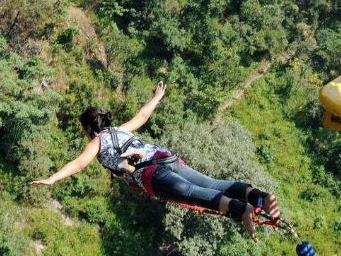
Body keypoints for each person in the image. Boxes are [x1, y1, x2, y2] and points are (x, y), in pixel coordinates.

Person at [30, 82, 280, 240]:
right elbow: (143, 115)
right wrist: (157, 98)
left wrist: (52, 178)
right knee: (213, 184)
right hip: (165, 158)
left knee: (194, 193)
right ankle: (259, 197)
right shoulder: (121, 129)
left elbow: (78, 164)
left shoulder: (97, 143)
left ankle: (243, 209)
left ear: (88, 128)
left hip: (151, 174)